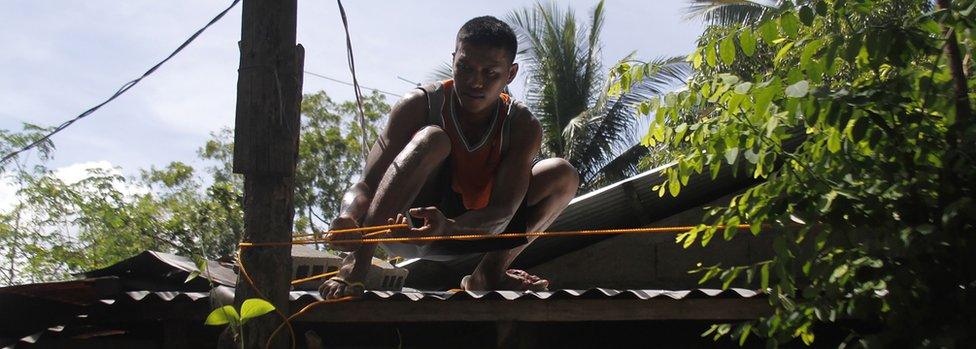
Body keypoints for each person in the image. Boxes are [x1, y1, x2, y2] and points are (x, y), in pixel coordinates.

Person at [319, 15, 579, 299]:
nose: (474, 82)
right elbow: (366, 185)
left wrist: (451, 227)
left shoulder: (521, 126)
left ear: (510, 74)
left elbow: (504, 211)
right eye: (465, 67)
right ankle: (357, 265)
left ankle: (489, 274)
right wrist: (348, 216)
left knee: (562, 174)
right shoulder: (418, 105)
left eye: (490, 73)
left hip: (471, 234)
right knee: (433, 138)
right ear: (454, 59)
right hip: (405, 228)